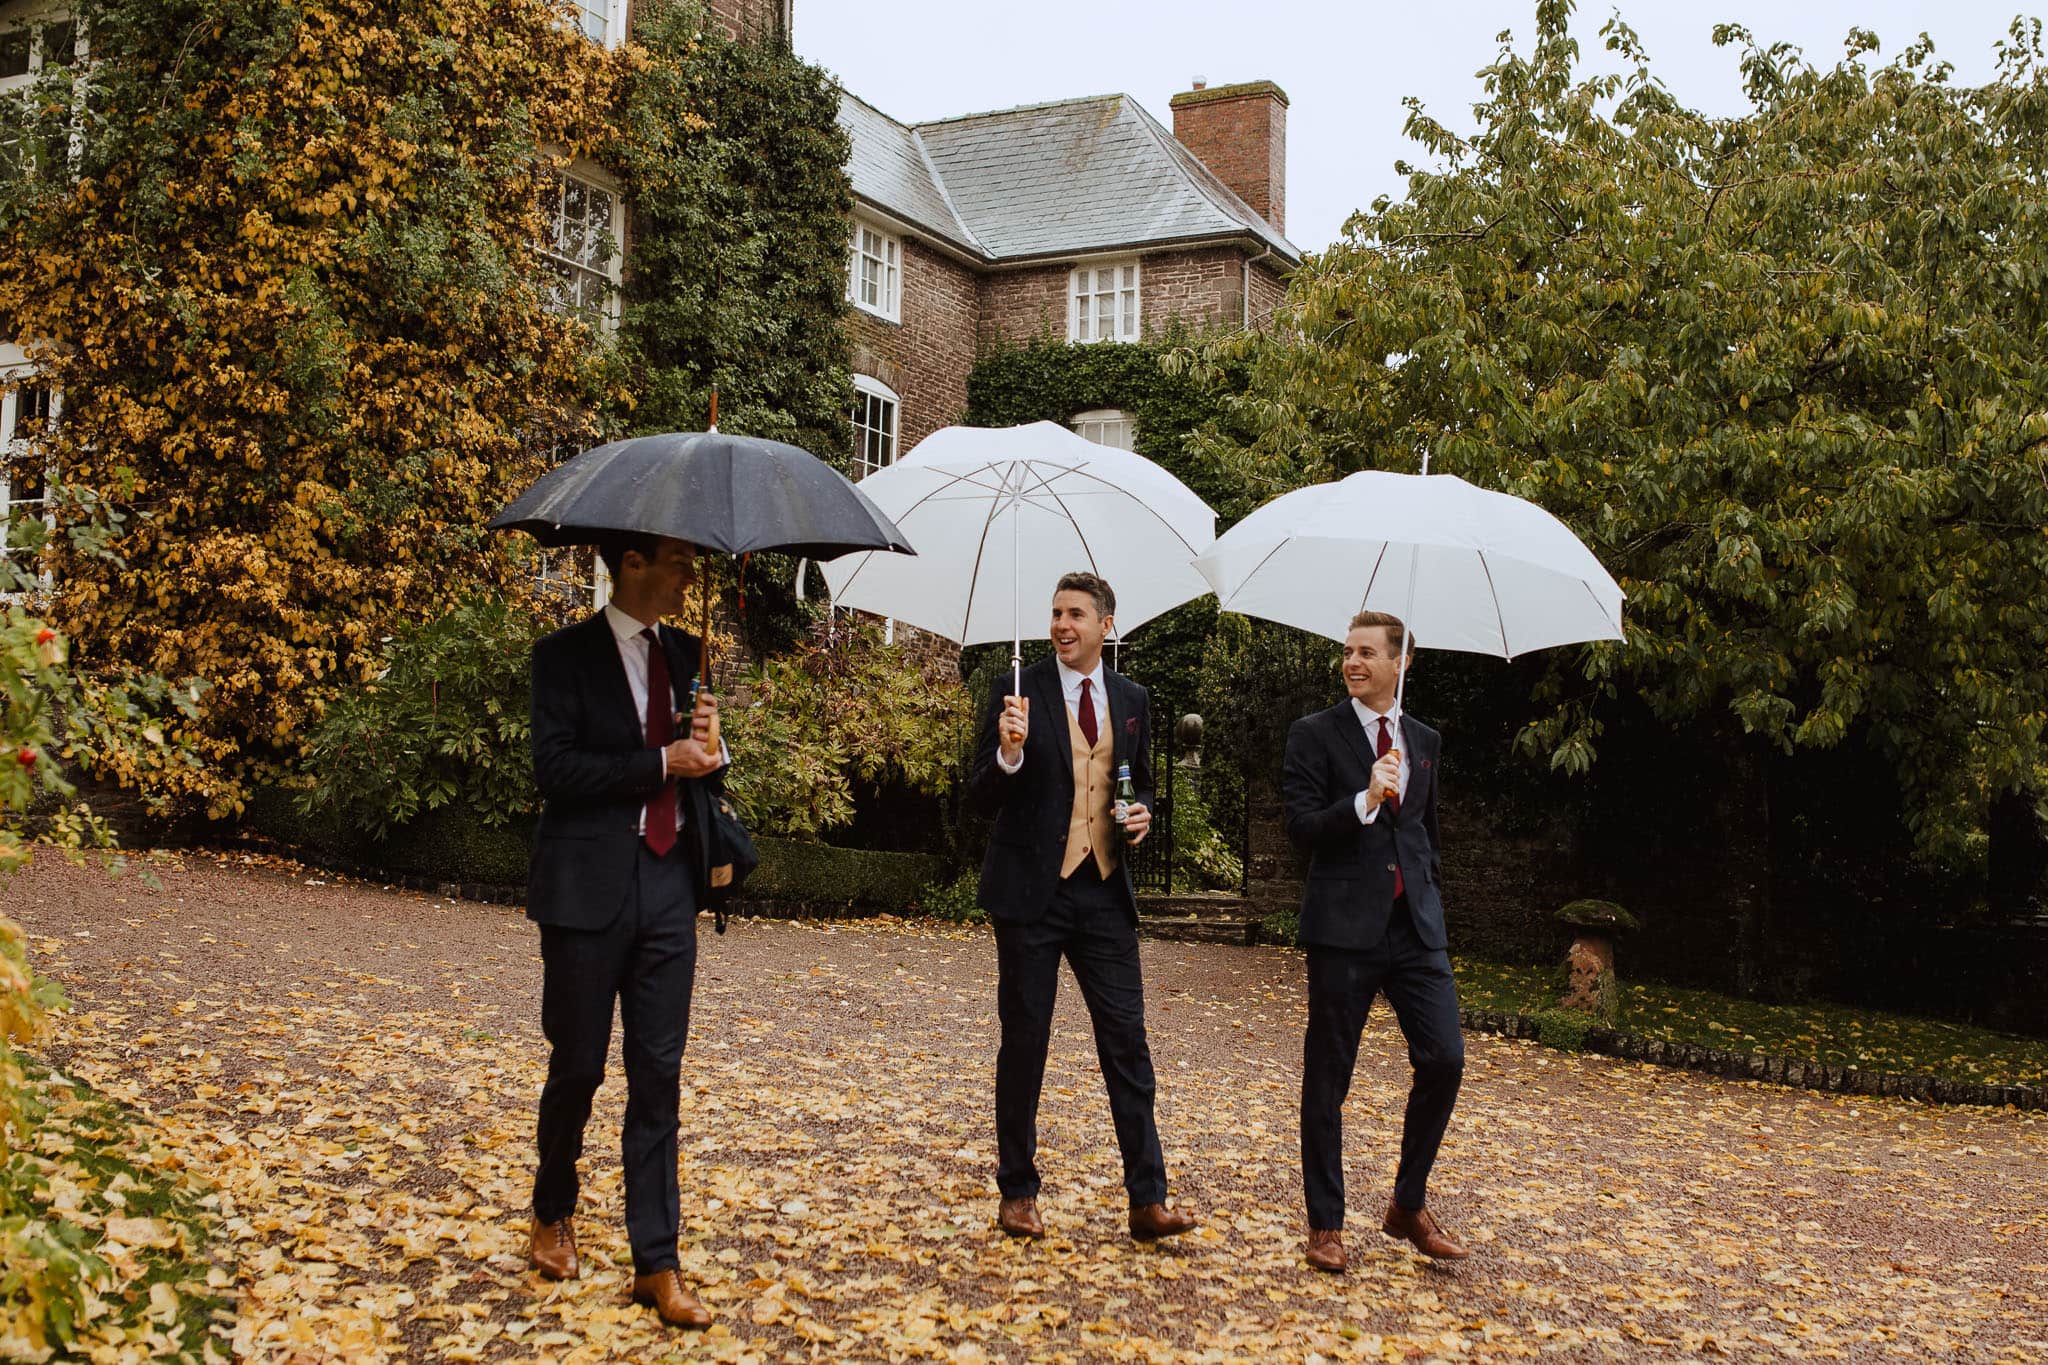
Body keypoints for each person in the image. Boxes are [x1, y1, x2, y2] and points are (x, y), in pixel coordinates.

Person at [523, 533, 727, 1329]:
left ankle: (657, 1259)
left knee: (659, 1073)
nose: (688, 576)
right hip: (585, 888)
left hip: (671, 884)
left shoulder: (689, 652)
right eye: (677, 562)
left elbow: (703, 764)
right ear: (632, 563)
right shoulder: (563, 655)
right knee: (577, 1064)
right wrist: (659, 761)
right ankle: (552, 1207)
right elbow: (556, 769)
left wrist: (710, 746)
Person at [963, 572, 1198, 1243]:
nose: (1062, 624)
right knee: (1025, 1042)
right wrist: (1008, 754)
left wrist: (1144, 815)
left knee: (1128, 1043)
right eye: (1056, 612)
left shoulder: (1132, 698)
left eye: (1076, 614)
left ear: (1107, 625)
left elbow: (1144, 785)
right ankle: (1018, 1191)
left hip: (1102, 891)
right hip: (1030, 894)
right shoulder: (1018, 690)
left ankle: (1148, 1200)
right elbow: (979, 792)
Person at [1282, 610, 1469, 1273]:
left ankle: (1407, 1201)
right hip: (1342, 930)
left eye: (1367, 652)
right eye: (1347, 651)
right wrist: (1363, 798)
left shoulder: (1423, 739)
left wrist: (1429, 893)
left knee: (1445, 1057)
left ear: (1401, 661)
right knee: (1328, 1079)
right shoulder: (1314, 735)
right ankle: (1326, 1224)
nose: (1352, 662)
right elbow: (1301, 826)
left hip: (1415, 927)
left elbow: (1426, 833)